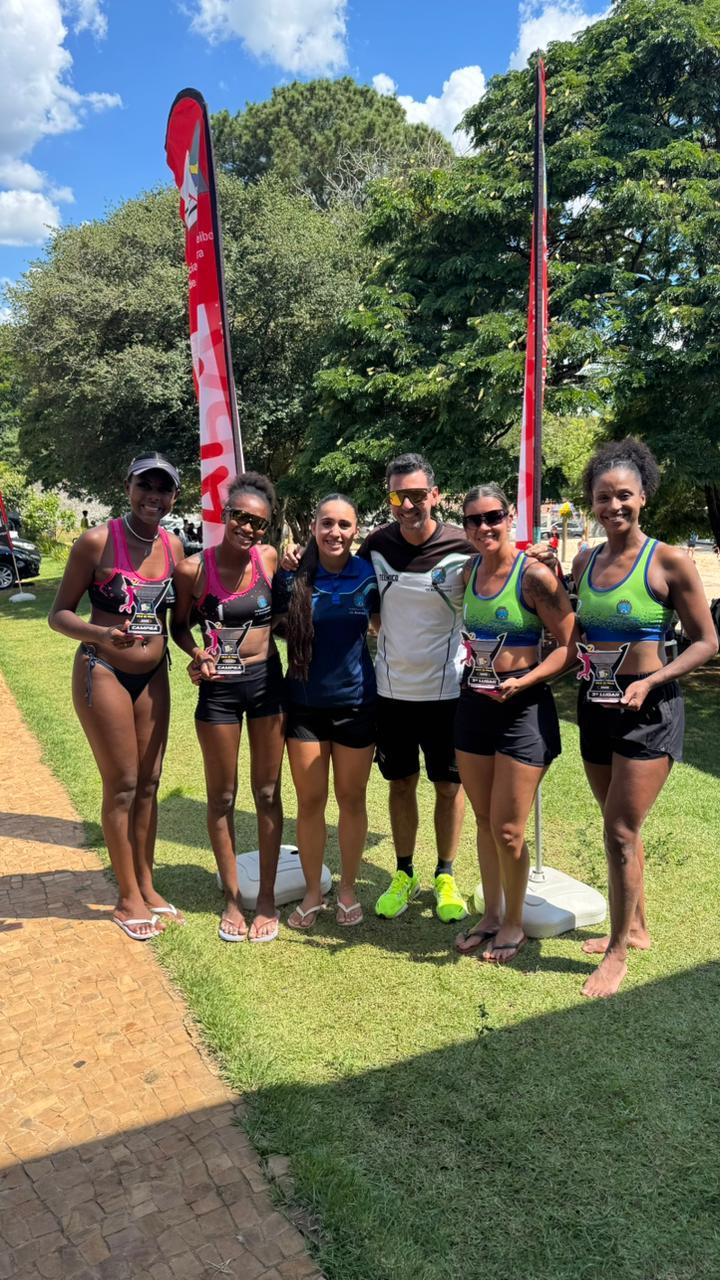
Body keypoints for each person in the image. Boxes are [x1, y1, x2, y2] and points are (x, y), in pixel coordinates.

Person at [573, 438, 717, 998]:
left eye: (624, 496)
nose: (614, 506)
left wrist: (655, 679)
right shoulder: (585, 560)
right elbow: (576, 628)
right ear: (592, 502)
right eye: (604, 497)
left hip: (649, 708)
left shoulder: (669, 560)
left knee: (620, 830)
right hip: (594, 703)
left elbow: (707, 642)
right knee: (618, 830)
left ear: (643, 497)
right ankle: (636, 927)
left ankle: (615, 954)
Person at [49, 453, 185, 940]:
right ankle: (127, 897)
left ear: (175, 495)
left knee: (150, 782)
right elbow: (59, 614)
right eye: (145, 485)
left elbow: (178, 615)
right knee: (123, 784)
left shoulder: (173, 545)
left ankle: (146, 883)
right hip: (102, 668)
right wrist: (99, 635)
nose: (154, 496)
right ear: (127, 485)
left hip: (154, 676)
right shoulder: (96, 541)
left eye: (164, 488)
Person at [453, 485, 578, 964]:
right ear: (465, 527)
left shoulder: (533, 577)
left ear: (509, 518)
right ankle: (490, 913)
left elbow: (569, 645)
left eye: (493, 517)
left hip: (523, 708)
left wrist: (526, 679)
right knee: (484, 819)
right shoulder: (468, 572)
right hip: (475, 704)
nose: (484, 527)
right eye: (473, 520)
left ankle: (512, 922)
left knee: (509, 829)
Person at [353, 454, 476, 923]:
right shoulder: (377, 544)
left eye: (418, 494)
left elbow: (502, 579)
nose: (409, 503)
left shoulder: (464, 544)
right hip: (391, 693)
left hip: (448, 691)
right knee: (400, 784)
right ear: (390, 498)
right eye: (399, 495)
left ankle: (445, 874)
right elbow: (351, 587)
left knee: (448, 786)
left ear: (435, 495)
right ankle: (404, 873)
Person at [171, 472, 285, 943]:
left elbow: (278, 612)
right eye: (240, 517)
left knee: (267, 793)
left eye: (258, 522)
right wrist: (196, 655)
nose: (248, 528)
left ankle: (267, 899)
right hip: (219, 690)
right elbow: (178, 627)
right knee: (221, 797)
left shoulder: (269, 560)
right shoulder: (193, 570)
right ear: (224, 515)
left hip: (264, 685)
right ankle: (233, 900)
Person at [277, 495, 379, 929]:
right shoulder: (291, 576)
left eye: (344, 525)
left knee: (351, 800)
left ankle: (348, 889)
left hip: (357, 703)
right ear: (313, 527)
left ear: (355, 530)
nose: (335, 532)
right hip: (303, 706)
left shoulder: (369, 575)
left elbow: (384, 625)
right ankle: (314, 891)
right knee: (311, 801)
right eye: (327, 524)